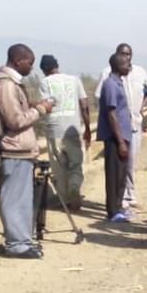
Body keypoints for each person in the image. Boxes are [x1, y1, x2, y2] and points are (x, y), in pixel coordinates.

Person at [0, 44, 55, 258]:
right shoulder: (6, 86)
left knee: (22, 200)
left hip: (21, 152)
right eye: (30, 62)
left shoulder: (11, 84)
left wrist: (33, 106)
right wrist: (40, 110)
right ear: (18, 60)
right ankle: (17, 245)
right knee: (14, 199)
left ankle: (23, 241)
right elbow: (15, 120)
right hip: (13, 150)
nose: (32, 67)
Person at [94, 43, 147, 211]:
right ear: (117, 58)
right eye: (123, 55)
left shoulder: (139, 72)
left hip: (133, 123)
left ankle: (127, 196)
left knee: (129, 164)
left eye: (129, 55)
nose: (127, 58)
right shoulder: (109, 79)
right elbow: (106, 104)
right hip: (117, 130)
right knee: (117, 169)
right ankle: (117, 205)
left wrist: (141, 107)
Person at [38, 54, 91, 210]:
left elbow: (45, 105)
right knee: (76, 164)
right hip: (72, 129)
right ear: (57, 65)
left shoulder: (44, 82)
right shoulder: (74, 80)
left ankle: (66, 201)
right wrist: (87, 128)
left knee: (59, 168)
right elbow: (84, 104)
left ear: (44, 70)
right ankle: (74, 186)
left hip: (54, 130)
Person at [97, 53, 132, 222]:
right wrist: (120, 142)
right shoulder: (111, 84)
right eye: (126, 64)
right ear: (118, 66)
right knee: (114, 175)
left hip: (123, 137)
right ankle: (113, 211)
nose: (129, 66)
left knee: (121, 175)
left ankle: (118, 208)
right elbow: (111, 114)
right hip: (115, 138)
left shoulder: (119, 82)